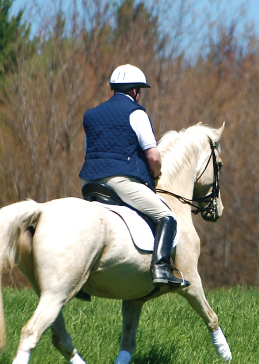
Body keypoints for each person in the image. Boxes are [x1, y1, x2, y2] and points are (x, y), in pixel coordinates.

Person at [79, 64, 186, 288]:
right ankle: (161, 268)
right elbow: (153, 155)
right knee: (167, 217)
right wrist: (155, 174)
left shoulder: (91, 115)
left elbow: (89, 151)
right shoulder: (136, 113)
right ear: (135, 91)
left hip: (89, 183)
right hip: (120, 182)